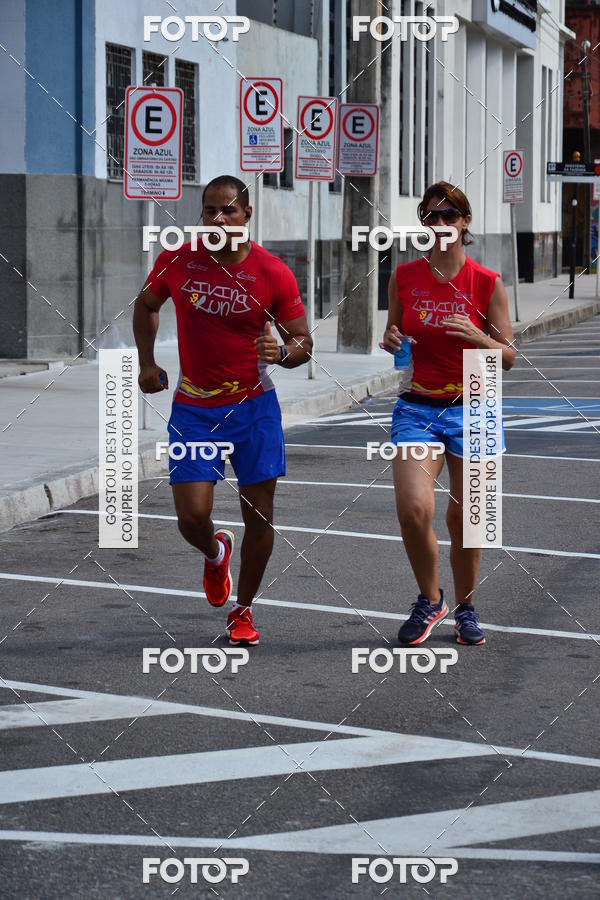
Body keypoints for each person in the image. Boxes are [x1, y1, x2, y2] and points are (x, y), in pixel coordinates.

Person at [133, 175, 312, 646]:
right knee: (191, 517)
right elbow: (146, 303)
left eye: (227, 210)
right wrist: (147, 362)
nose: (216, 219)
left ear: (247, 215)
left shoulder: (272, 272)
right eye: (209, 210)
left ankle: (244, 609)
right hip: (194, 406)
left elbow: (302, 341)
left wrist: (285, 354)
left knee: (260, 516)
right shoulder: (177, 259)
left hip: (254, 408)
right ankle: (216, 552)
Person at [380, 181, 515, 646]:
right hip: (417, 406)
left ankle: (467, 607)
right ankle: (430, 598)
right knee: (414, 509)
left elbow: (510, 356)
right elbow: (393, 334)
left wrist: (479, 339)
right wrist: (392, 341)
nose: (439, 225)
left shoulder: (486, 282)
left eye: (448, 216)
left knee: (470, 519)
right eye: (431, 217)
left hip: (475, 406)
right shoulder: (404, 277)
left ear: (465, 223)